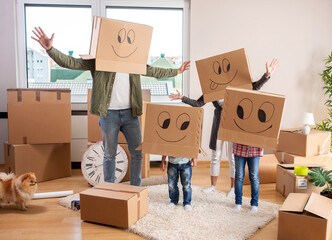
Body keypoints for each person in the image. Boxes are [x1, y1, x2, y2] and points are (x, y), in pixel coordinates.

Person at [31, 27, 190, 186]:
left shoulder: (133, 62)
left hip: (130, 114)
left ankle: (135, 189)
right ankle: (109, 189)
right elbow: (71, 63)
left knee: (137, 153)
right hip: (109, 115)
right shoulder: (99, 61)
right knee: (109, 155)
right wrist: (50, 49)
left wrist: (177, 71)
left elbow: (154, 71)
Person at [169, 58, 279, 197]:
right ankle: (213, 186)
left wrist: (267, 74)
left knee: (232, 157)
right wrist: (182, 98)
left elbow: (255, 87)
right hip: (219, 124)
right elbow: (198, 103)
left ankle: (233, 188)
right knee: (216, 155)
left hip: (234, 126)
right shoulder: (213, 87)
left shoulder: (238, 84)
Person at [232, 58, 280, 214]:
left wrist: (267, 74)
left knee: (253, 176)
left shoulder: (250, 91)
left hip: (253, 145)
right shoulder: (233, 96)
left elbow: (257, 86)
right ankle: (238, 202)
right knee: (239, 175)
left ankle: (254, 204)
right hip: (239, 144)